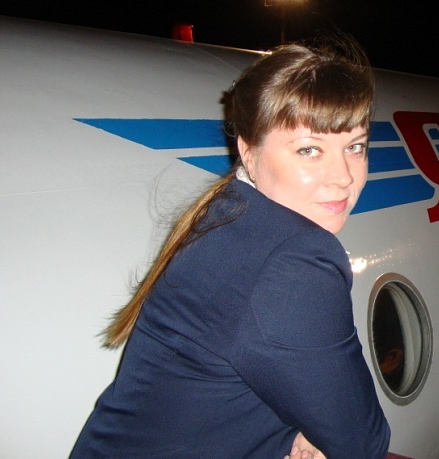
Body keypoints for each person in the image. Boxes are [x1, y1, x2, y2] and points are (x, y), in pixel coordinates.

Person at [71, 37, 391, 458]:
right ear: (248, 152)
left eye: (355, 147)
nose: (344, 176)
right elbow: (362, 443)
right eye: (310, 150)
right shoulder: (294, 263)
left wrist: (292, 432)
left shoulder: (227, 210)